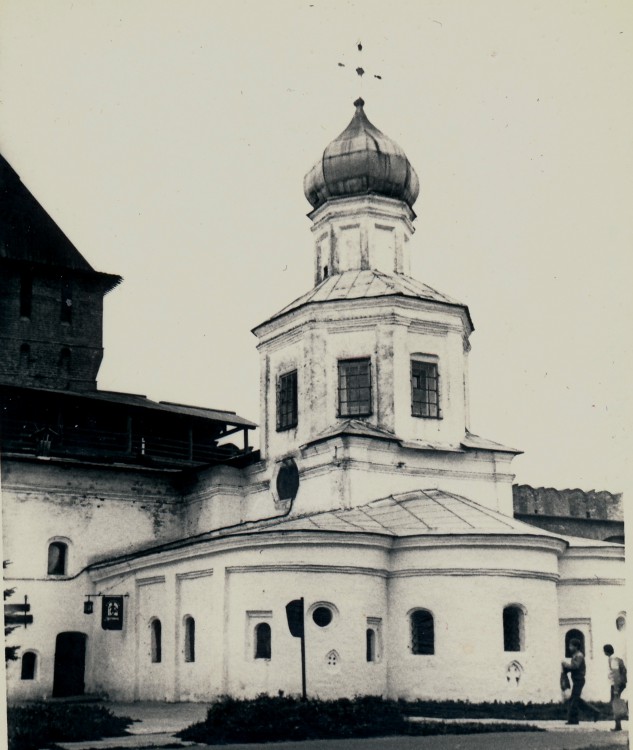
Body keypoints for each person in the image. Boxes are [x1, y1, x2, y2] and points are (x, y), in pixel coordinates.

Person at [562, 638, 601, 724]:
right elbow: (573, 668)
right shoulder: (576, 655)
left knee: (574, 700)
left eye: (571, 646)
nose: (569, 647)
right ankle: (594, 712)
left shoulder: (579, 655)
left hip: (579, 680)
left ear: (575, 646)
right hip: (577, 680)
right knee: (575, 699)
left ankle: (574, 720)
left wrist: (566, 665)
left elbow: (575, 666)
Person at [603, 644, 627, 732]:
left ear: (606, 651)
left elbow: (616, 674)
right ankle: (618, 723)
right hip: (619, 683)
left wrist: (616, 689)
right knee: (615, 702)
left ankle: (618, 725)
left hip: (616, 684)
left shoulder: (613, 659)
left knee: (615, 703)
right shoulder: (616, 658)